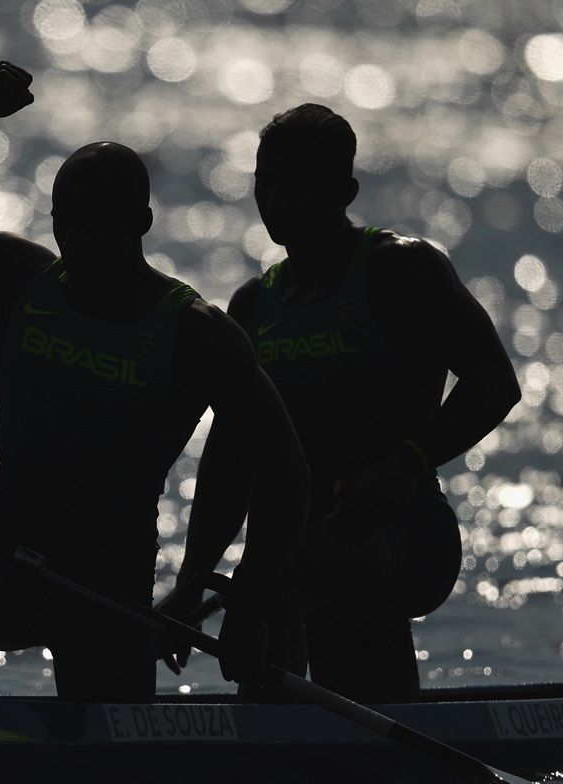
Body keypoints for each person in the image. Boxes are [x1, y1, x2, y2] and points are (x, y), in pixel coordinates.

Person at [0, 62, 311, 703]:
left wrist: (249, 599)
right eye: (69, 223)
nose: (84, 240)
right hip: (8, 567)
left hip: (108, 592)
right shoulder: (18, 279)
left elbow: (285, 470)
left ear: (143, 225)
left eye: (104, 224)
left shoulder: (195, 332)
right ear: (54, 222)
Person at [161, 103, 521, 703]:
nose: (274, 201)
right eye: (264, 182)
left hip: (405, 533)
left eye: (295, 186)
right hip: (298, 548)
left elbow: (495, 383)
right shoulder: (253, 305)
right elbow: (230, 454)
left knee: (272, 580)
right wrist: (191, 580)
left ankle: (284, 742)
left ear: (344, 191)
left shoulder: (401, 270)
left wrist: (408, 460)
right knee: (341, 657)